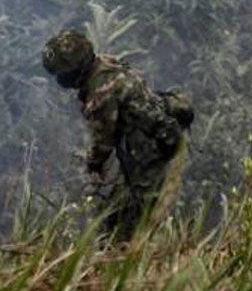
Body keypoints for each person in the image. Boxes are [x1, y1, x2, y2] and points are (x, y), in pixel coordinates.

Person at [41, 30, 193, 240]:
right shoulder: (105, 64)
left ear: (74, 72)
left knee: (136, 217)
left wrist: (93, 163)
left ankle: (142, 248)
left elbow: (104, 139)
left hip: (150, 148)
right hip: (151, 135)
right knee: (117, 210)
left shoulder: (100, 93)